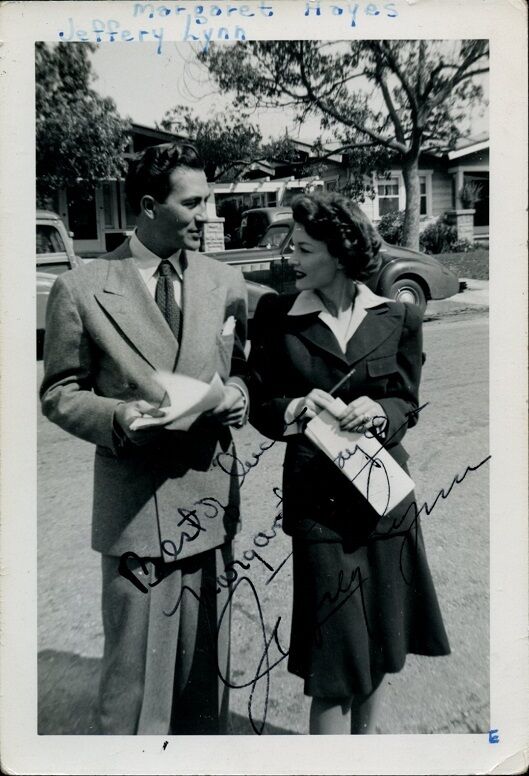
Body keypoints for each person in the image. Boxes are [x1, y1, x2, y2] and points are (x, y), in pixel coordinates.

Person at [40, 142, 249, 735]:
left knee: (202, 680)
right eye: (195, 202)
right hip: (138, 507)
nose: (209, 214)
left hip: (208, 501)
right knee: (133, 687)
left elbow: (243, 369)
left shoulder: (222, 281)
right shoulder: (83, 288)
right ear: (151, 206)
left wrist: (238, 396)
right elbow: (59, 391)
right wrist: (118, 417)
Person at [248, 192, 450, 735]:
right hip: (320, 513)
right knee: (334, 668)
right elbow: (259, 403)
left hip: (386, 503)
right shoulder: (275, 317)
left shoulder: (400, 317)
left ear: (339, 253)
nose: (290, 254)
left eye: (304, 247)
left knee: (380, 651)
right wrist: (292, 407)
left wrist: (380, 411)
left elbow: (407, 400)